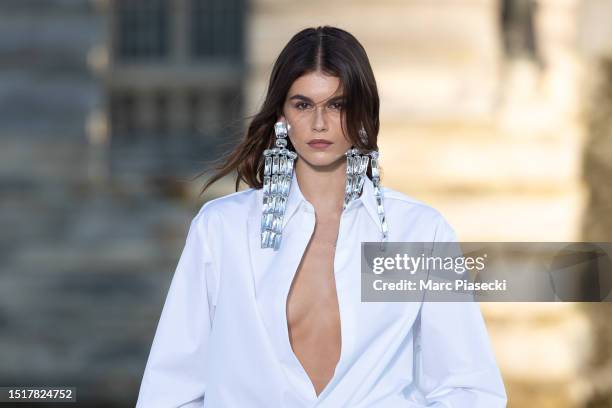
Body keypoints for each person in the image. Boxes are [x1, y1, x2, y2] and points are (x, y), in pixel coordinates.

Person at [135, 26, 507, 407]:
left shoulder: (415, 233)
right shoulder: (223, 230)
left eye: (337, 105)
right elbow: (170, 393)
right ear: (281, 114)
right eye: (303, 104)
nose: (319, 123)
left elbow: (469, 390)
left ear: (361, 112)